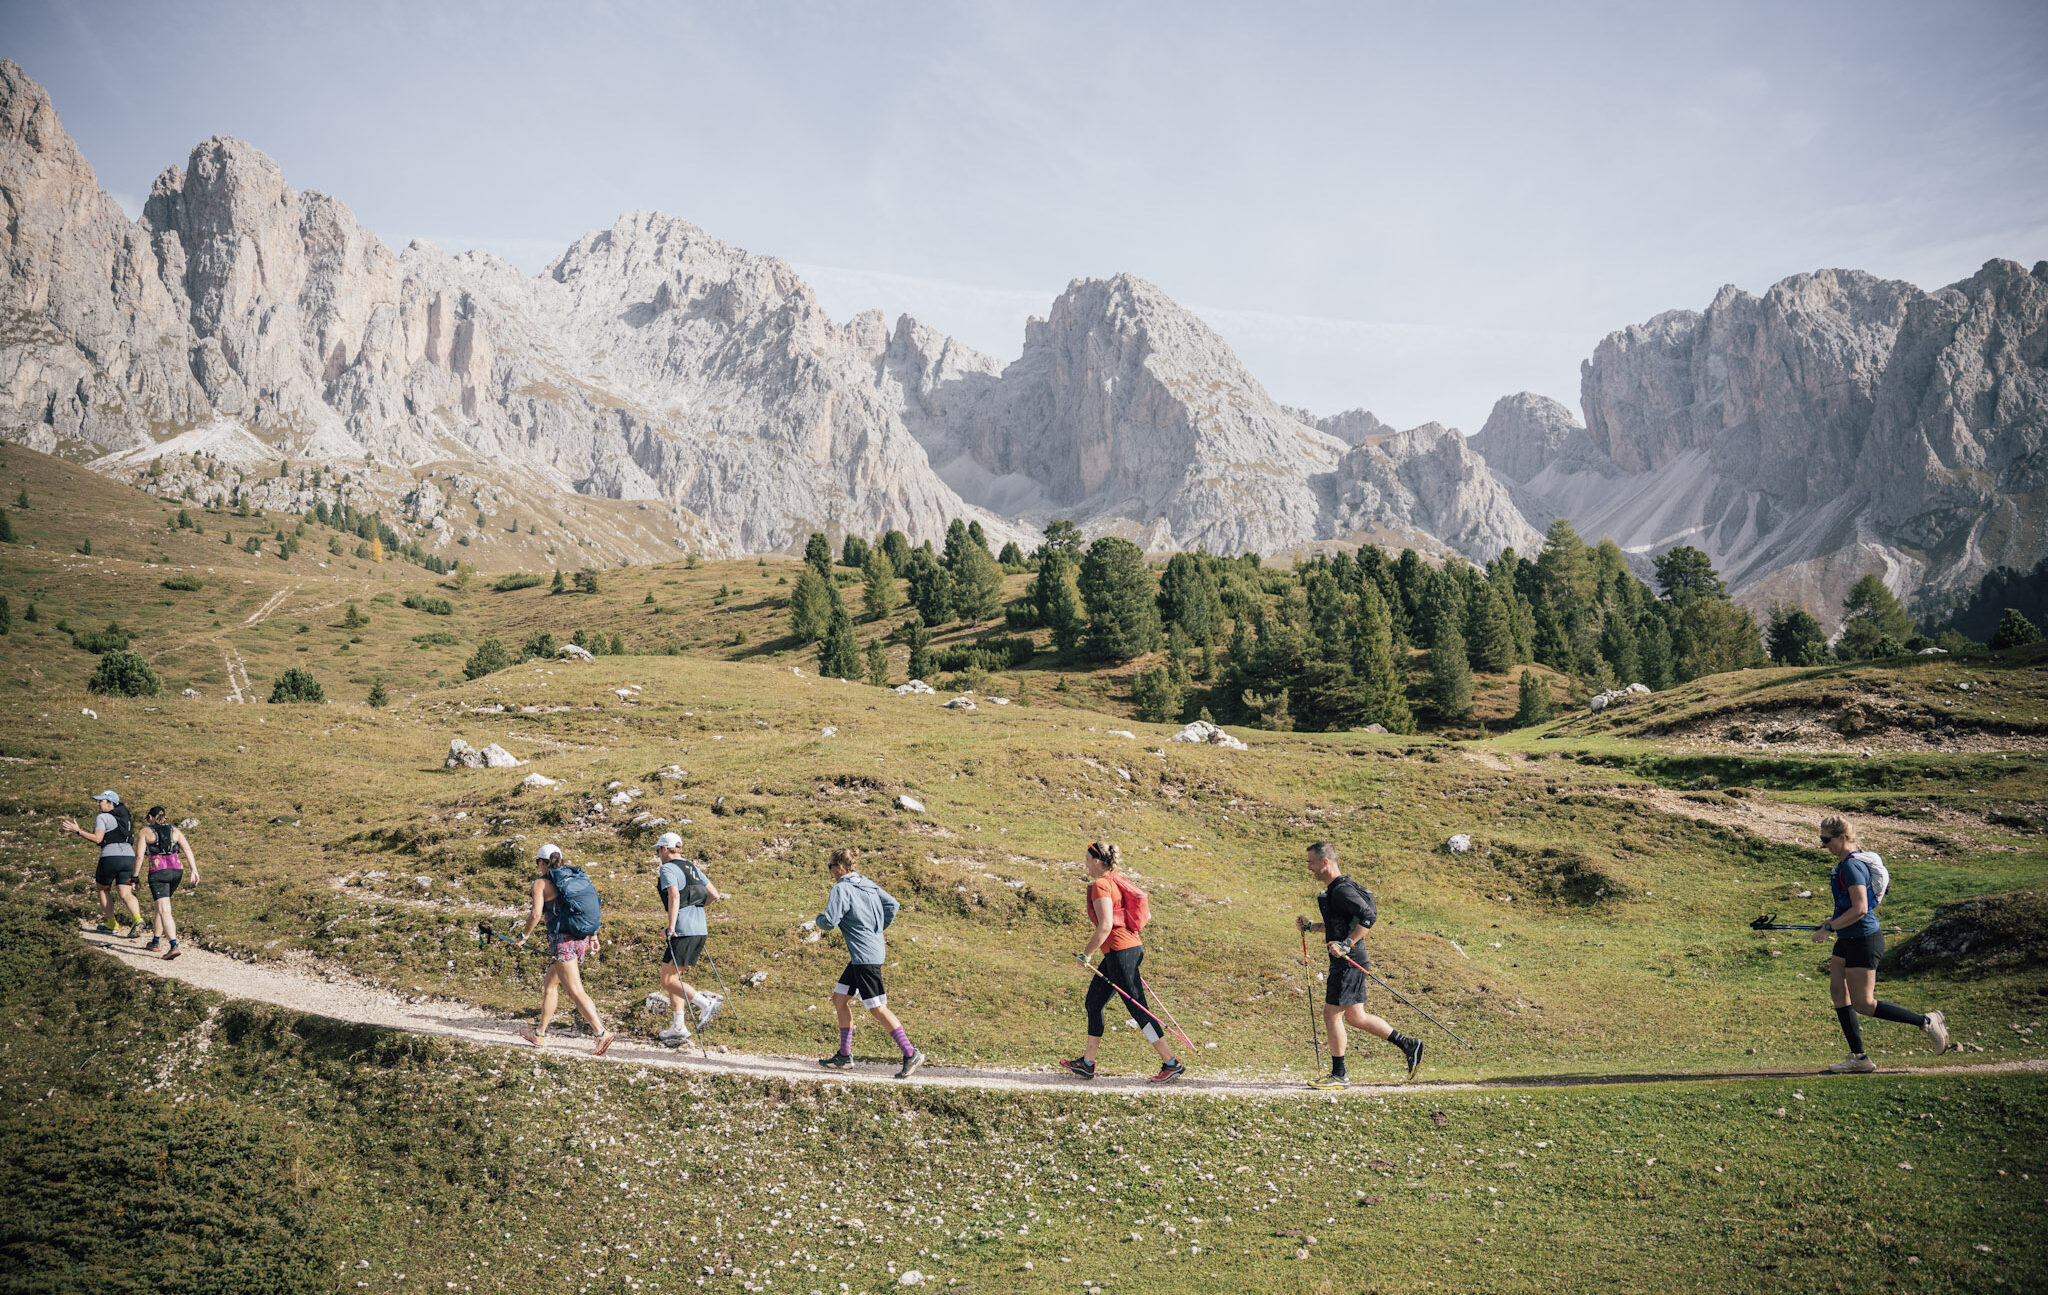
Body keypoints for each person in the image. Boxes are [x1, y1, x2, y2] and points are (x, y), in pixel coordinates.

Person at [1814, 815, 1948, 1073]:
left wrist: (1831, 926)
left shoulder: (1852, 866)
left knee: (1864, 1004)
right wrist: (1831, 923)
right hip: (1848, 937)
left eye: (1826, 839)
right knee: (1838, 992)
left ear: (1842, 838)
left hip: (1863, 939)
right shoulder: (1848, 864)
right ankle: (1859, 1058)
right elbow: (1849, 908)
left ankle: (1927, 1021)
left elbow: (1861, 908)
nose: (1823, 845)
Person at [1295, 841, 1423, 1088]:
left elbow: (1368, 916)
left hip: (1348, 961)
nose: (1309, 867)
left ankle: (1339, 1075)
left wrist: (1346, 945)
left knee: (1332, 1014)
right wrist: (1312, 927)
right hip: (1351, 959)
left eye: (1311, 862)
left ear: (1325, 862)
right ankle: (1409, 1044)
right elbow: (1340, 925)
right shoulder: (1335, 890)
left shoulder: (1341, 890)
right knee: (1356, 1016)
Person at [1058, 841, 1186, 1083]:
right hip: (1125, 949)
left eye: (1087, 859)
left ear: (1097, 861)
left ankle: (1171, 1063)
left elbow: (1105, 925)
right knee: (1094, 1003)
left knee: (1139, 1010)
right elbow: (1143, 915)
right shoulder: (1116, 880)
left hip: (1120, 952)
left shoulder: (1101, 886)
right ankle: (1087, 1063)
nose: (1084, 863)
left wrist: (1087, 954)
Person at [815, 847, 925, 1078]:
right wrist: (875, 929)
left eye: (830, 867)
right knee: (839, 998)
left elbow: (829, 922)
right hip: (865, 955)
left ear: (840, 867)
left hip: (864, 958)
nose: (830, 871)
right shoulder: (867, 883)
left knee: (876, 1007)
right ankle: (844, 1056)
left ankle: (910, 1053)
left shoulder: (842, 888)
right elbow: (892, 905)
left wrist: (818, 920)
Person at [514, 843, 615, 1056]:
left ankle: (600, 1033)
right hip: (580, 939)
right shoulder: (573, 878)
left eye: (537, 863)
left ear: (542, 862)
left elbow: (535, 914)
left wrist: (523, 937)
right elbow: (587, 907)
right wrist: (593, 935)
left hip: (563, 943)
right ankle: (539, 1033)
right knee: (550, 984)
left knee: (575, 990)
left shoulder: (541, 883)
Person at [652, 832, 725, 1047]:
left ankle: (706, 1004)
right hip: (699, 928)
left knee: (668, 981)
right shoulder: (692, 867)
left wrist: (672, 925)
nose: (658, 854)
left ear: (665, 849)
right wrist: (696, 910)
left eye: (658, 850)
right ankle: (678, 1027)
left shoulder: (667, 868)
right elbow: (713, 894)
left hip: (682, 930)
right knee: (675, 979)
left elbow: (674, 895)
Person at [61, 791, 142, 936]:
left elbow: (98, 839)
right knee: (125, 892)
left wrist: (78, 831)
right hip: (129, 857)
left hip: (110, 857)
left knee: (103, 889)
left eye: (101, 801)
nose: (98, 804)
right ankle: (138, 919)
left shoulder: (103, 817)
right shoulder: (126, 818)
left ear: (110, 803)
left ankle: (111, 924)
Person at [136, 807, 198, 959]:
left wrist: (134, 877)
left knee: (164, 909)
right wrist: (194, 870)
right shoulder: (175, 830)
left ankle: (173, 944)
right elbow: (188, 850)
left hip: (158, 872)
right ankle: (156, 941)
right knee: (162, 903)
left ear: (150, 817)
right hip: (177, 871)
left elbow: (139, 856)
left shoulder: (145, 831)